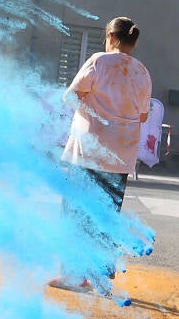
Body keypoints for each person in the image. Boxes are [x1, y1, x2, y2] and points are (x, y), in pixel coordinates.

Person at [49, 16, 152, 293]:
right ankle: (99, 276)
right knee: (106, 215)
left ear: (111, 38)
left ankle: (72, 275)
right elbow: (142, 115)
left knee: (76, 212)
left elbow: (70, 96)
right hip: (121, 155)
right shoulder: (142, 72)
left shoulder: (99, 61)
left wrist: (94, 111)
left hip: (89, 151)